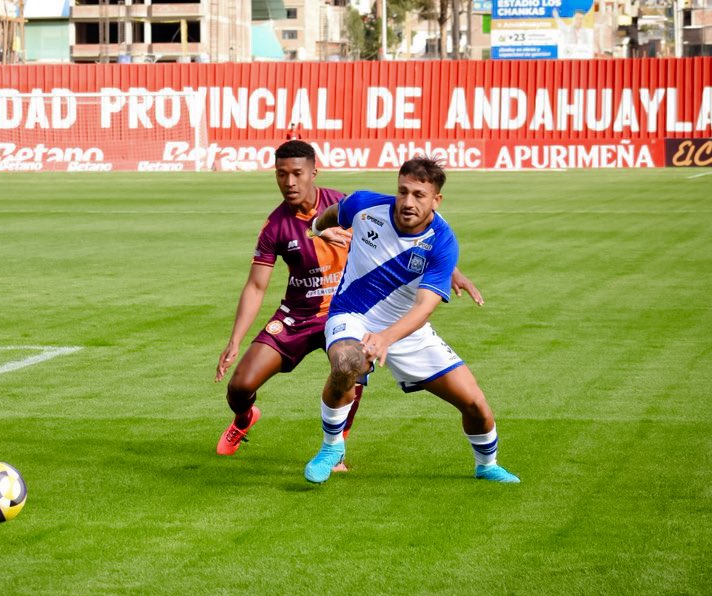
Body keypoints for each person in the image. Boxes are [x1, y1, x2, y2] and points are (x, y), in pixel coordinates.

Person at [215, 141, 482, 466]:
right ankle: (244, 419)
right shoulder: (276, 226)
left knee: (350, 367)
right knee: (240, 386)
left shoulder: (345, 204)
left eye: (297, 174)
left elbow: (406, 234)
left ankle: (336, 451)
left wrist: (451, 270)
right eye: (281, 175)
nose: (289, 183)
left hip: (351, 311)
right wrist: (235, 340)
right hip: (299, 315)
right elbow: (256, 286)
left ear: (314, 172)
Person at [302, 156, 518, 485]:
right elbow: (334, 213)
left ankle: (487, 465)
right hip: (352, 313)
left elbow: (423, 308)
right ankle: (332, 447)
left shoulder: (443, 242)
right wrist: (318, 229)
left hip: (407, 328)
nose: (407, 201)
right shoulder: (363, 205)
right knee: (347, 364)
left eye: (419, 194)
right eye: (403, 191)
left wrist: (386, 338)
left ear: (436, 200)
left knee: (475, 404)